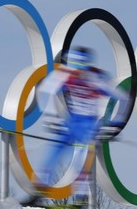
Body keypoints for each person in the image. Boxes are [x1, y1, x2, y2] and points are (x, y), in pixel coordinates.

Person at [36, 46, 128, 185]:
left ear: (87, 64)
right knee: (54, 152)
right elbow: (44, 91)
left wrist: (116, 123)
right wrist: (50, 116)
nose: (77, 71)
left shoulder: (96, 78)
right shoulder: (64, 74)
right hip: (72, 120)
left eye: (81, 66)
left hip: (89, 123)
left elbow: (124, 98)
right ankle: (40, 189)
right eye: (74, 65)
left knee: (81, 157)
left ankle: (80, 197)